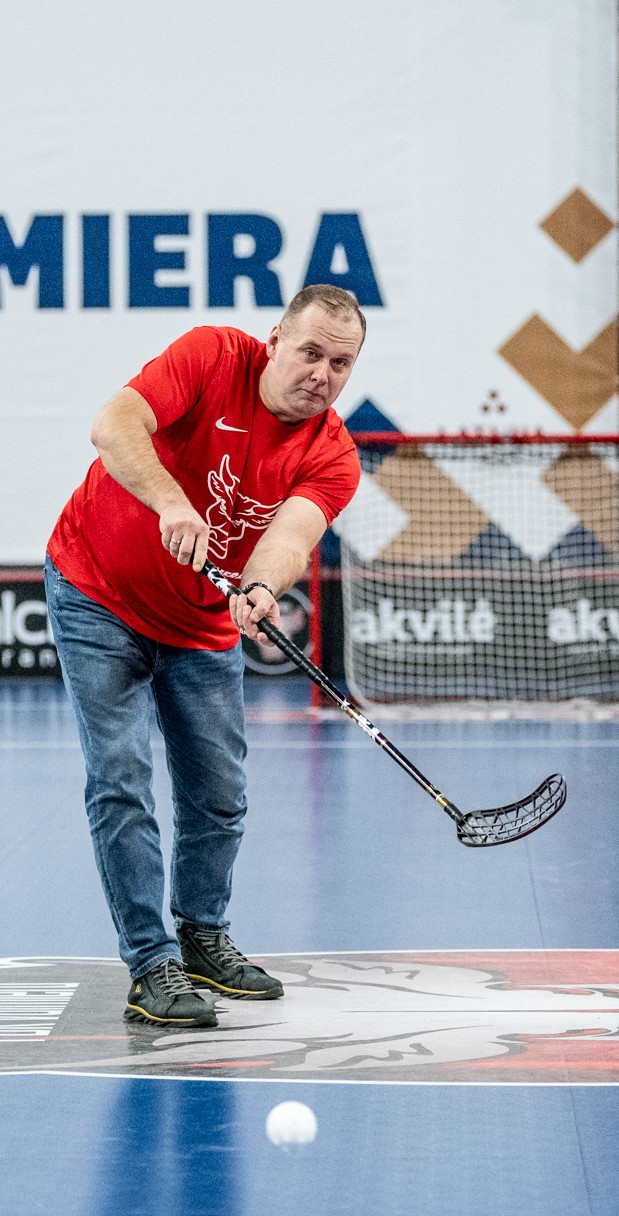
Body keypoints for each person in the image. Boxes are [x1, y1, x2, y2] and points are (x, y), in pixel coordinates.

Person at [44, 284, 366, 1027]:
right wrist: (171, 501)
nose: (321, 374)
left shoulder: (334, 455)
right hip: (98, 590)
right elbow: (113, 424)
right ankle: (150, 963)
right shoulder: (212, 356)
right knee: (121, 777)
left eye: (340, 364)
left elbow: (290, 536)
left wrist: (261, 587)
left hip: (200, 622)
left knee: (219, 793)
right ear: (274, 341)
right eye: (310, 352)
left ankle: (201, 936)